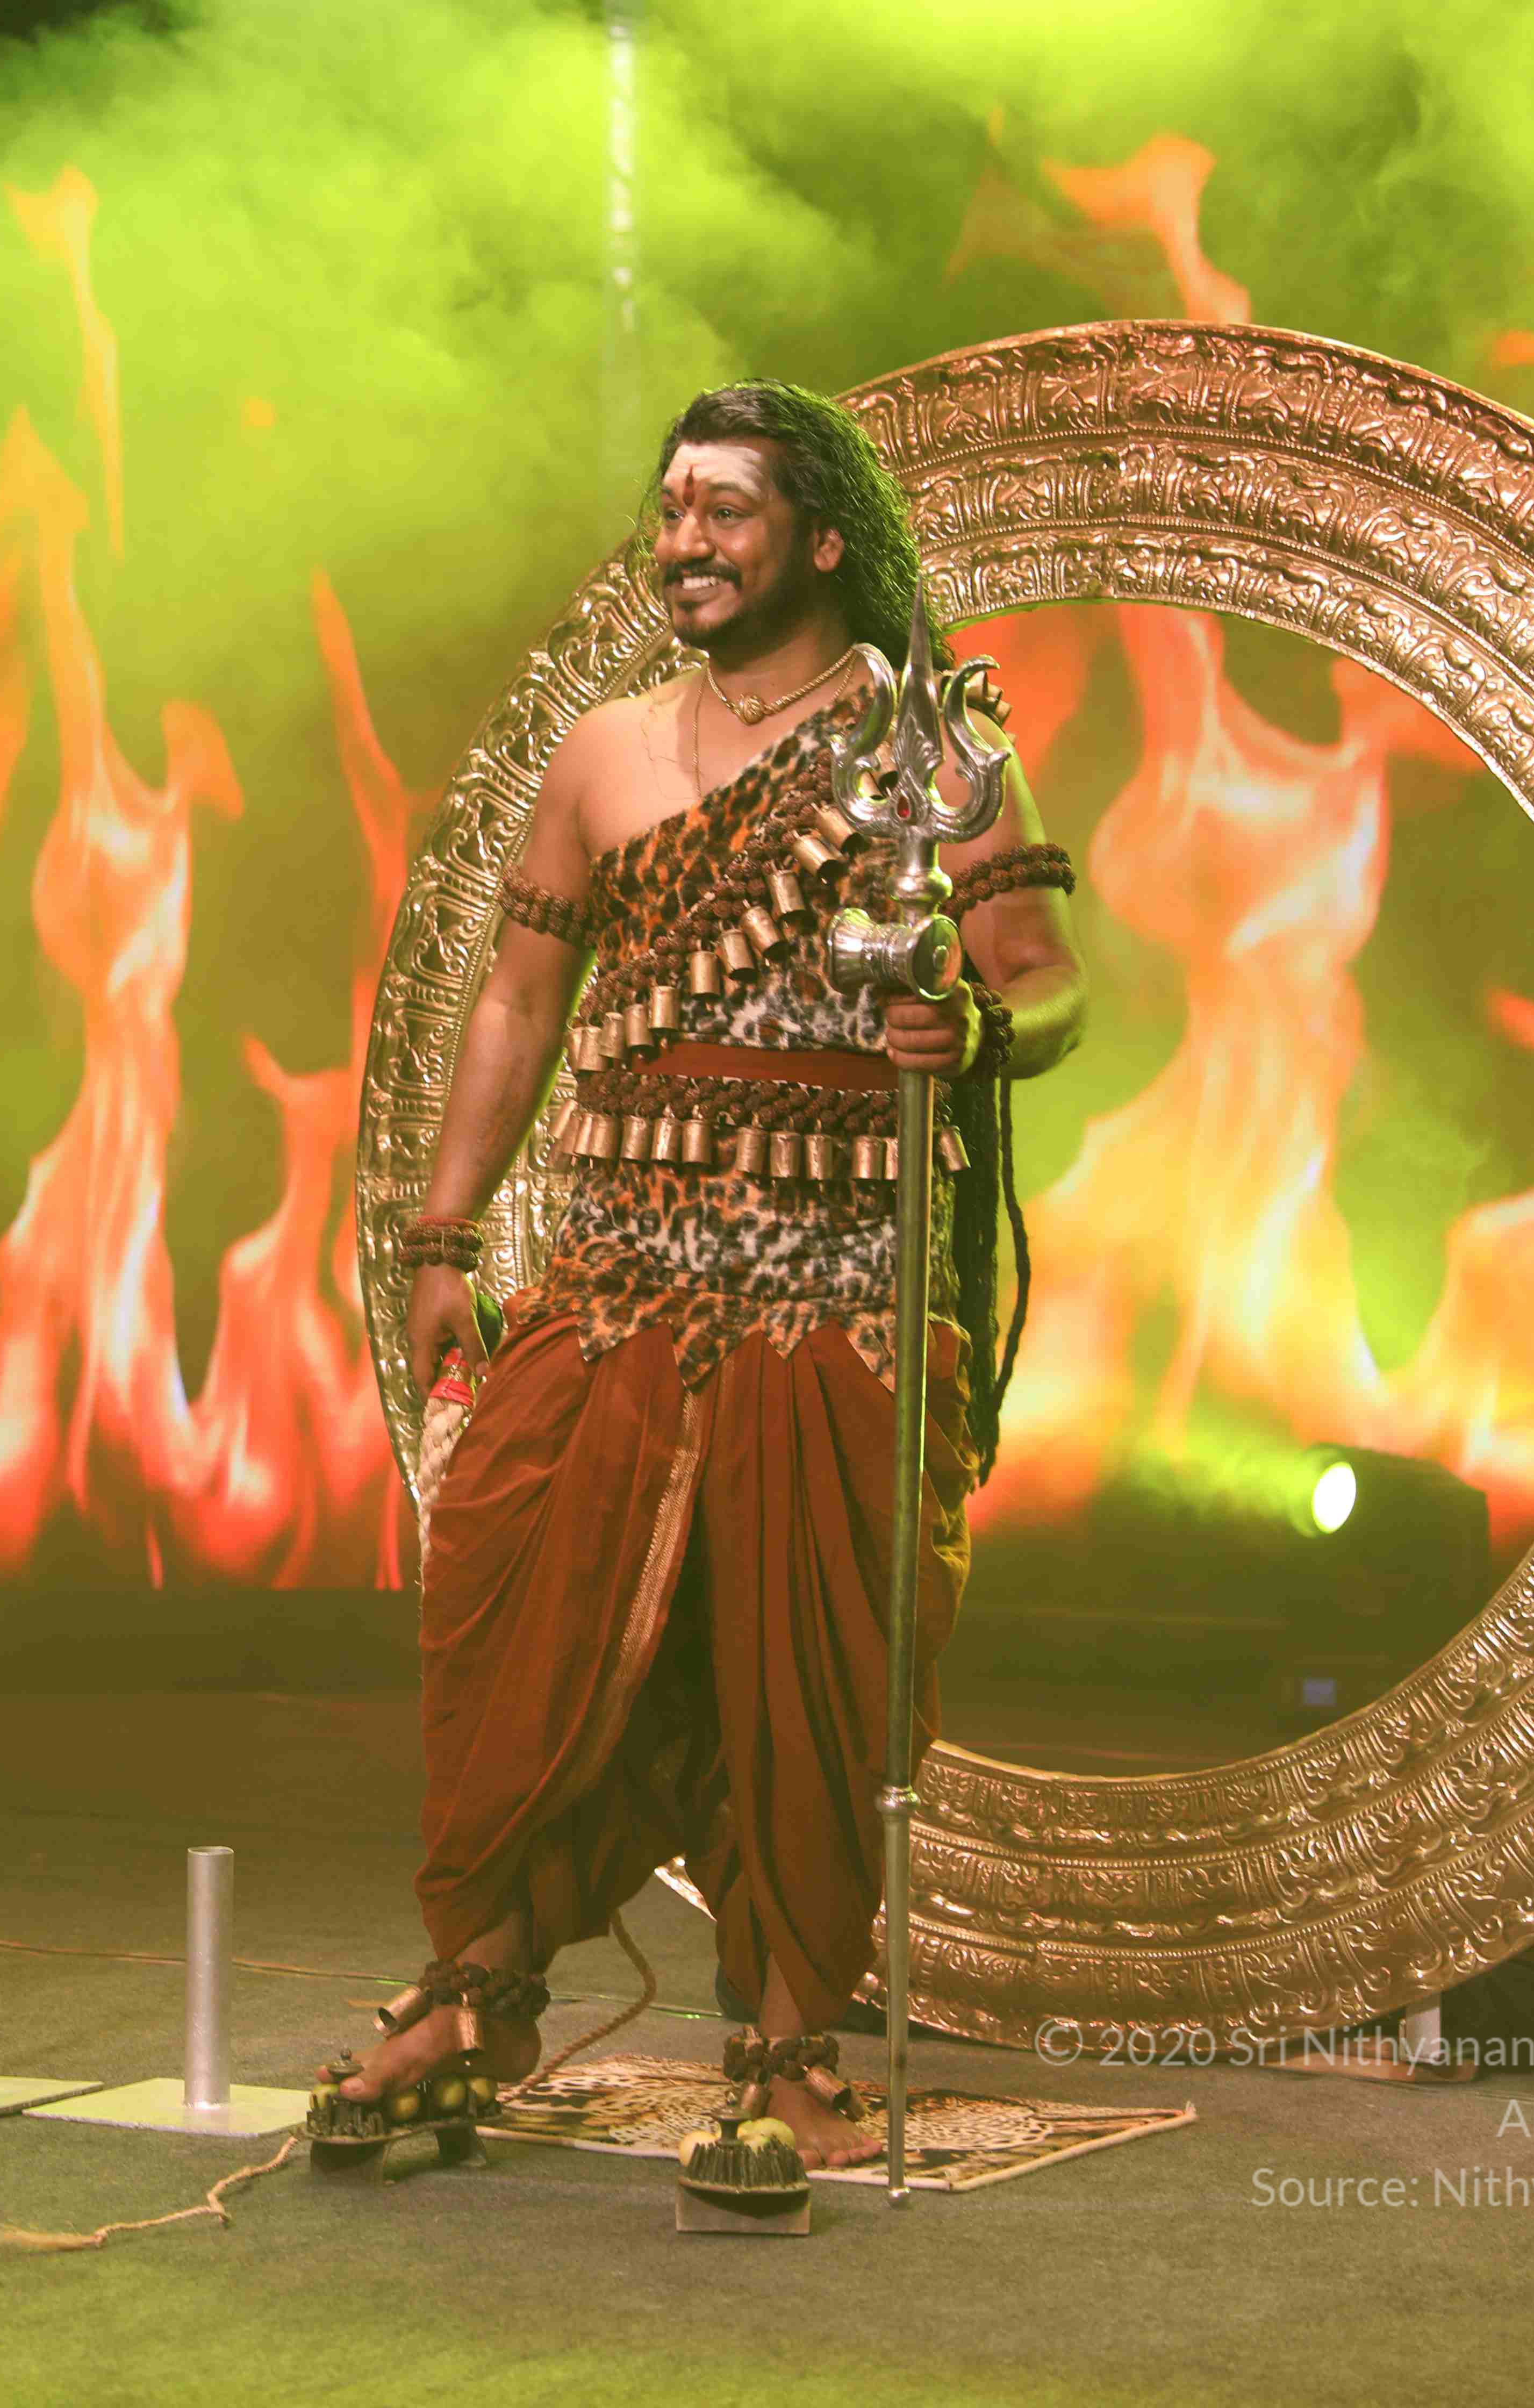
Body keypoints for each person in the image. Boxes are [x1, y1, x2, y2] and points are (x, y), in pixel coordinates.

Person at [328, 381, 1085, 2165]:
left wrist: (977, 1026)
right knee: (514, 1614)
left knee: (800, 1670)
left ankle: (793, 2046)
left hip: (836, 1283)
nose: (684, 541)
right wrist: (442, 1236)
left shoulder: (938, 746)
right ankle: (477, 1988)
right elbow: (520, 1003)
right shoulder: (600, 754)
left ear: (819, 538)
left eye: (724, 509)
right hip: (612, 1274)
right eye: (670, 509)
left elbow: (1049, 981)